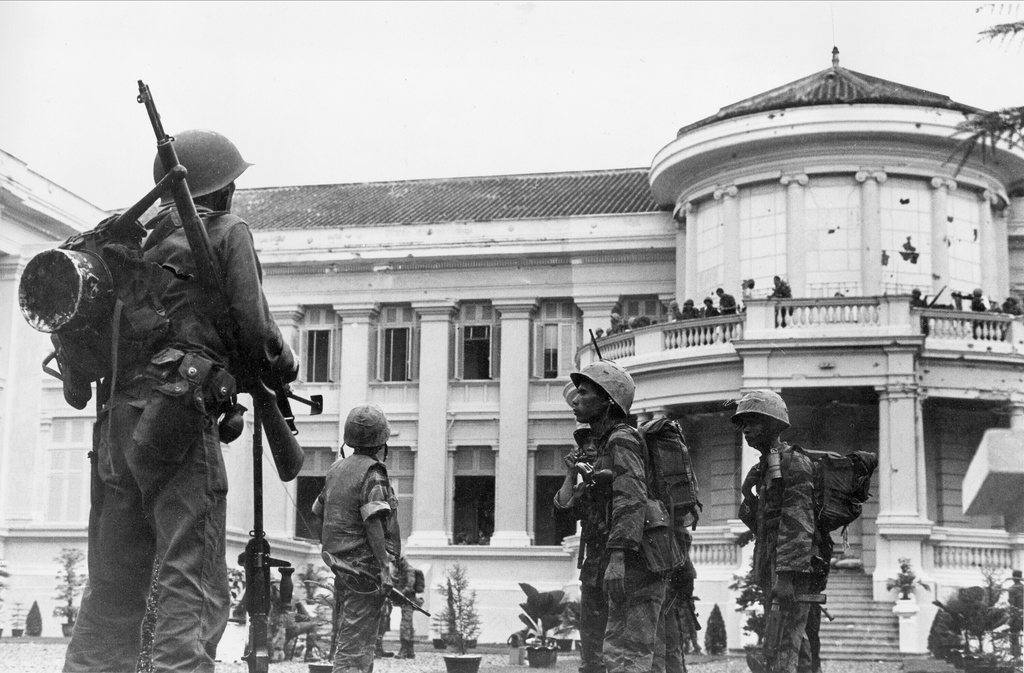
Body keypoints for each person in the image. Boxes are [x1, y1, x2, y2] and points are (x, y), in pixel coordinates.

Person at [63, 130, 298, 672]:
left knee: (113, 590)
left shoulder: (130, 243)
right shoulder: (226, 230)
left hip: (117, 426)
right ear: (224, 188)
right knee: (189, 580)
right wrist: (284, 365)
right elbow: (257, 331)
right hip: (176, 422)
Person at [554, 360, 666, 673]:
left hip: (631, 564)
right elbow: (568, 505)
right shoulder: (603, 446)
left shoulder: (621, 439)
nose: (575, 400)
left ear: (608, 402)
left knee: (626, 659)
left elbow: (631, 500)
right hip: (607, 563)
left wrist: (618, 559)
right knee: (606, 658)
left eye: (584, 393)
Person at [734, 390, 831, 673]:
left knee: (783, 648)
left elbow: (798, 522)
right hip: (777, 570)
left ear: (775, 425)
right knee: (794, 648)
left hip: (792, 574)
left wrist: (786, 577)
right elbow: (768, 525)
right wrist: (749, 498)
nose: (746, 430)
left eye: (754, 422)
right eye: (743, 423)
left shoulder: (793, 462)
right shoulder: (767, 466)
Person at [315, 404, 400, 673]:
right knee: (356, 647)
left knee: (356, 642)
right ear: (381, 441)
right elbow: (372, 520)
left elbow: (317, 511)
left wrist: (336, 546)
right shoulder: (374, 472)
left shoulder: (336, 469)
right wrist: (385, 567)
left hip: (343, 567)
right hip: (366, 570)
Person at [394, 556, 422, 659]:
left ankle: (404, 651)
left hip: (408, 601)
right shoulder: (401, 570)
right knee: (408, 625)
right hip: (404, 601)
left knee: (405, 625)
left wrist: (400, 593)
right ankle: (410, 651)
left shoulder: (409, 570)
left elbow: (410, 586)